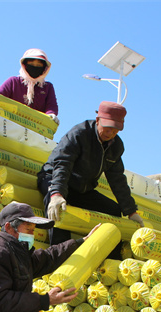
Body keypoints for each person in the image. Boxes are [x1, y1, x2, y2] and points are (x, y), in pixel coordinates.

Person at [37, 101, 144, 250]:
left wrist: (131, 211)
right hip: (54, 179)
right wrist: (57, 193)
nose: (110, 134)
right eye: (107, 129)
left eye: (115, 131)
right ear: (98, 120)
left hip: (81, 189)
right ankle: (59, 255)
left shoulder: (116, 146)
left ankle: (108, 258)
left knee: (113, 211)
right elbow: (62, 164)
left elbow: (118, 180)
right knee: (58, 208)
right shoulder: (80, 134)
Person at [0, 48, 59, 121]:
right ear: (25, 65)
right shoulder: (13, 82)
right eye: (31, 64)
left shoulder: (47, 87)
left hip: (35, 125)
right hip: (11, 123)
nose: (35, 68)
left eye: (38, 65)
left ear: (44, 68)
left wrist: (51, 114)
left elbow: (51, 106)